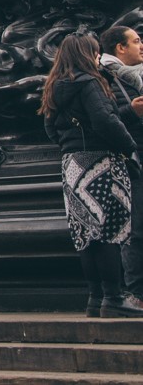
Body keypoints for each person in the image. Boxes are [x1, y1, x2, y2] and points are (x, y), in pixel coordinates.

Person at [40, 32, 143, 317]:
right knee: (111, 231)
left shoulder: (54, 87)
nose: (98, 57)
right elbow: (104, 119)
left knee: (87, 234)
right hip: (101, 162)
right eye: (95, 52)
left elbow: (50, 128)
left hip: (73, 164)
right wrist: (129, 147)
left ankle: (95, 298)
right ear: (87, 54)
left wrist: (69, 146)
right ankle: (115, 297)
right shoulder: (90, 82)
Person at [99, 25, 143, 300]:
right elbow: (105, 118)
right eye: (137, 41)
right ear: (120, 48)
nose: (142, 46)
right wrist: (133, 111)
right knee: (135, 227)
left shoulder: (135, 77)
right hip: (131, 159)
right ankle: (137, 291)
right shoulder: (106, 77)